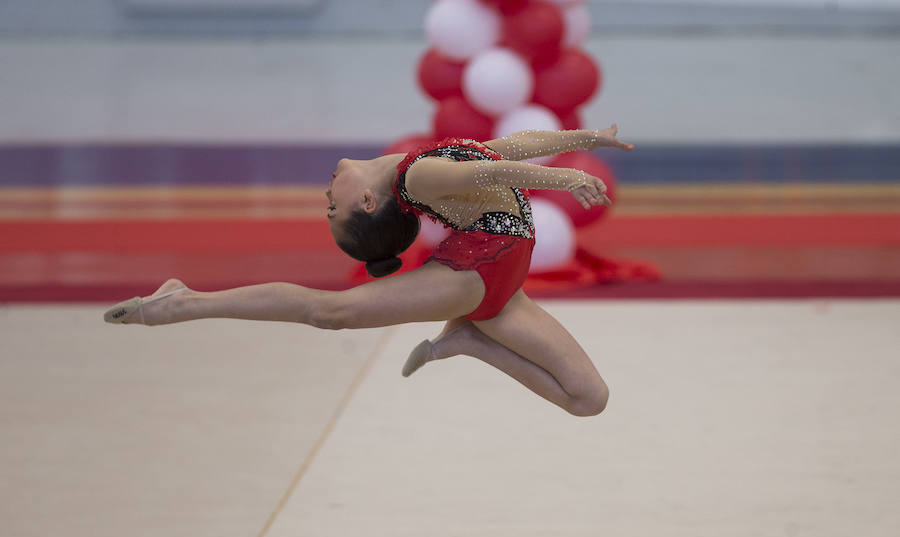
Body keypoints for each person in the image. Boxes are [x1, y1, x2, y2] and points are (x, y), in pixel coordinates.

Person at [104, 125, 634, 417]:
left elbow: (508, 147)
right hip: (470, 279)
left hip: (500, 294)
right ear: (365, 199)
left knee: (589, 400)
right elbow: (491, 169)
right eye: (331, 209)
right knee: (328, 312)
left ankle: (469, 343)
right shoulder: (420, 177)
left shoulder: (419, 166)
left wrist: (586, 138)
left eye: (327, 208)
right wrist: (563, 178)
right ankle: (184, 301)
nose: (325, 198)